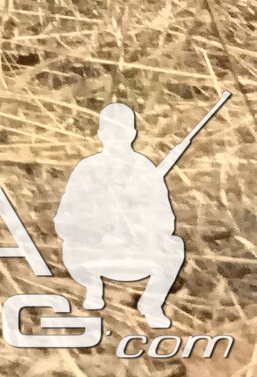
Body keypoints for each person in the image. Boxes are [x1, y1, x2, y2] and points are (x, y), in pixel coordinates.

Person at [56, 102, 187, 328]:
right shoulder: (87, 168)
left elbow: (166, 220)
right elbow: (64, 221)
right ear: (100, 135)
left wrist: (140, 221)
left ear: (132, 134)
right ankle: (93, 288)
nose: (117, 139)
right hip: (94, 254)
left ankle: (151, 303)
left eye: (122, 132)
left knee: (174, 246)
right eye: (111, 132)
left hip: (135, 252)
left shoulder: (145, 169)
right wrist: (97, 226)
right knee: (71, 247)